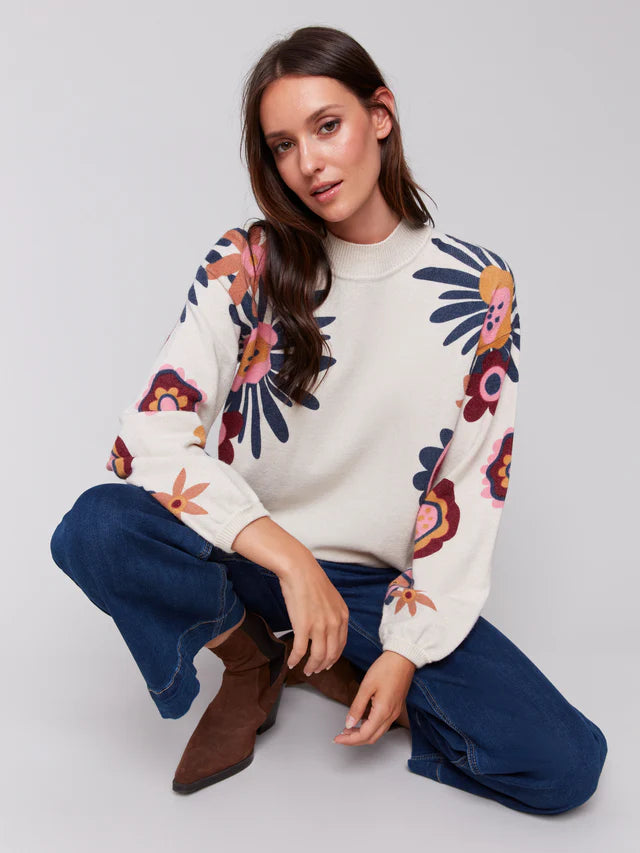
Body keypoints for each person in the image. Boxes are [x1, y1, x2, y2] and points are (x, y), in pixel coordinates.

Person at [49, 25, 607, 812]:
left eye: (327, 126)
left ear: (380, 115)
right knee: (96, 526)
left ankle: (330, 656)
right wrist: (287, 557)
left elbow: (470, 485)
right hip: (246, 554)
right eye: (283, 145)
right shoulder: (248, 262)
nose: (307, 162)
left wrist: (404, 654)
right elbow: (150, 433)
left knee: (564, 766)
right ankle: (251, 656)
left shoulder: (479, 285)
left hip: (372, 589)